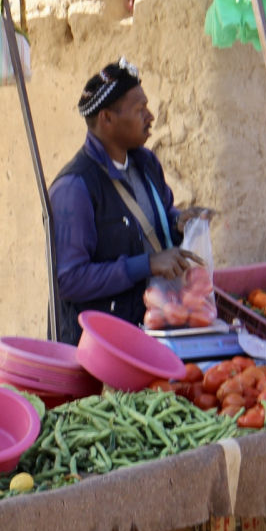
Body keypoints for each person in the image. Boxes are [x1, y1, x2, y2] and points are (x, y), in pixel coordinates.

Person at [48, 58, 213, 344]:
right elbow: (69, 280)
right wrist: (146, 265)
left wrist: (178, 221)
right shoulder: (74, 187)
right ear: (107, 119)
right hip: (98, 350)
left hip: (148, 332)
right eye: (140, 110)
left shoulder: (145, 163)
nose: (150, 116)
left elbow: (150, 219)